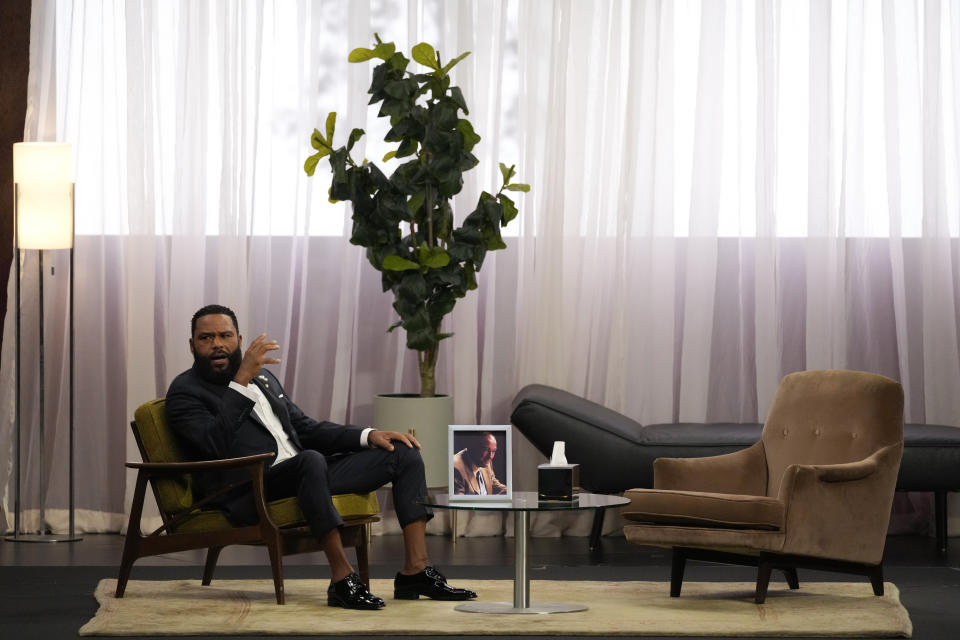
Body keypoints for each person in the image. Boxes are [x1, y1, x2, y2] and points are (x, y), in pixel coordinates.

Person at [165, 304, 477, 610]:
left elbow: (305, 428)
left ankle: (415, 571)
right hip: (249, 487)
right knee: (310, 460)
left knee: (402, 453)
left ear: (240, 340)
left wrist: (369, 435)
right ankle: (342, 579)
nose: (217, 344)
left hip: (304, 472)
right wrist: (240, 381)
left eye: (225, 335)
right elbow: (213, 444)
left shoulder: (264, 379)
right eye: (206, 338)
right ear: (192, 345)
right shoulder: (185, 391)